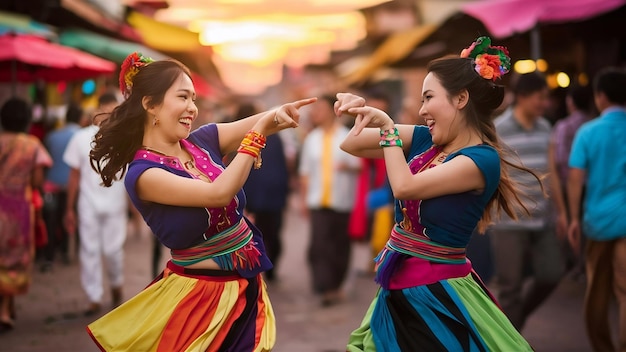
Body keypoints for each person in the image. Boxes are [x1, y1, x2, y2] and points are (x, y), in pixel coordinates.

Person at [86, 52, 316, 351]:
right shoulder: (144, 174)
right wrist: (256, 136)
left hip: (245, 286)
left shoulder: (202, 140)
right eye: (183, 97)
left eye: (193, 99)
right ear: (150, 104)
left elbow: (262, 121)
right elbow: (218, 193)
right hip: (200, 299)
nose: (192, 108)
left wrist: (281, 112)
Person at [336, 37, 535, 351]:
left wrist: (387, 126)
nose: (422, 110)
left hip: (438, 293)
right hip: (399, 284)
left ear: (460, 99)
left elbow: (403, 187)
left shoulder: (481, 160)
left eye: (428, 98)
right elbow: (352, 144)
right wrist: (360, 109)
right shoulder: (424, 140)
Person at [491, 71, 565, 331]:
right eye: (539, 96)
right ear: (522, 97)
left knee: (552, 273)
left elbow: (552, 171)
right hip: (509, 221)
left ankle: (513, 324)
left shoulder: (546, 126)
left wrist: (562, 213)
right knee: (510, 287)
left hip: (543, 219)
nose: (544, 102)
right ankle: (512, 342)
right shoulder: (499, 128)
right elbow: (493, 173)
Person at [567, 67, 626, 352]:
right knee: (624, 291)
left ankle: (604, 347)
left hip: (599, 222)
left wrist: (574, 218)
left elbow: (575, 178)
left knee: (598, 289)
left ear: (600, 97)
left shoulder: (588, 132)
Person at [63, 92, 128, 316]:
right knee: (89, 250)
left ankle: (116, 284)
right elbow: (74, 175)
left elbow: (131, 174)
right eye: (107, 109)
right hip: (87, 203)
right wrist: (69, 208)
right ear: (98, 109)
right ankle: (93, 297)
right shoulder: (81, 138)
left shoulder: (124, 138)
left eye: (114, 110)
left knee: (113, 250)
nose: (110, 115)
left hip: (115, 204)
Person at [299, 95, 361, 306]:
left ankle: (335, 285)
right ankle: (324, 287)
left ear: (334, 111)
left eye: (322, 109)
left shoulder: (347, 136)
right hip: (317, 200)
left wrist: (348, 167)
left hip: (342, 200)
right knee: (319, 246)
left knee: (340, 246)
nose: (317, 113)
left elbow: (360, 165)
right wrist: (303, 200)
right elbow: (305, 172)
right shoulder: (311, 139)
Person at [0, 98, 52, 333]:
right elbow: (37, 181)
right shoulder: (32, 145)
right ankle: (5, 309)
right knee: (14, 258)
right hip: (18, 209)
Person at [239, 102, 293, 283]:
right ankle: (267, 267)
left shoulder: (247, 138)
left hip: (259, 196)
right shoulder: (272, 136)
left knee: (262, 233)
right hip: (265, 196)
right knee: (270, 233)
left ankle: (264, 267)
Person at [548, 84, 593, 271]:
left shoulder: (563, 126)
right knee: (588, 225)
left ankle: (574, 264)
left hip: (569, 184)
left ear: (571, 101)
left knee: (570, 224)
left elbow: (558, 159)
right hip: (591, 185)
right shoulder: (593, 124)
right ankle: (586, 263)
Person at [41, 103, 83, 270]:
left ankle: (49, 256)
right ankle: (69, 252)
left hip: (51, 185)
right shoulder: (81, 136)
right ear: (80, 118)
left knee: (51, 221)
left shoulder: (52, 136)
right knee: (72, 216)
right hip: (72, 186)